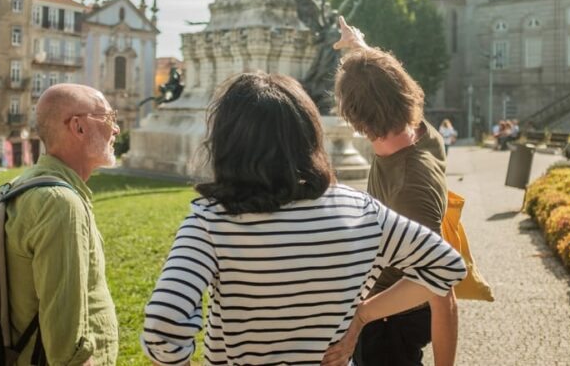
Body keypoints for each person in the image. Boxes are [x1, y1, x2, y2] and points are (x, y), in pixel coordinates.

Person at [141, 72, 466, 366]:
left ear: (227, 142)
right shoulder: (361, 210)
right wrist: (362, 315)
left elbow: (164, 323)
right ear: (309, 133)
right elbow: (446, 267)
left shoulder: (209, 222)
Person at [333, 16, 459, 366]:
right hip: (380, 309)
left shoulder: (410, 185)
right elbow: (386, 86)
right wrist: (359, 46)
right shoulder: (421, 131)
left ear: (353, 115)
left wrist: (361, 317)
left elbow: (440, 289)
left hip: (390, 322)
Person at [5, 84, 120, 365]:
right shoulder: (59, 203)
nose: (115, 129)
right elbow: (67, 349)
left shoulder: (25, 183)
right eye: (108, 118)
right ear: (78, 127)